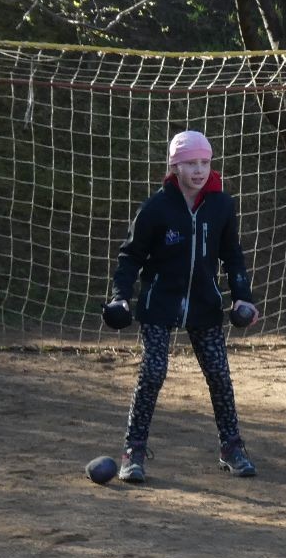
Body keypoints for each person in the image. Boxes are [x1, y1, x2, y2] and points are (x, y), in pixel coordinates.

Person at [107, 130, 262, 481]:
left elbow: (233, 256)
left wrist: (242, 296)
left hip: (205, 304)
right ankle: (133, 450)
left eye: (204, 162)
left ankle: (232, 447)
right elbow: (130, 257)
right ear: (175, 166)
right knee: (153, 371)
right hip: (159, 304)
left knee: (219, 374)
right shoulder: (155, 208)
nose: (199, 170)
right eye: (191, 163)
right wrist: (120, 297)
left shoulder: (222, 206)